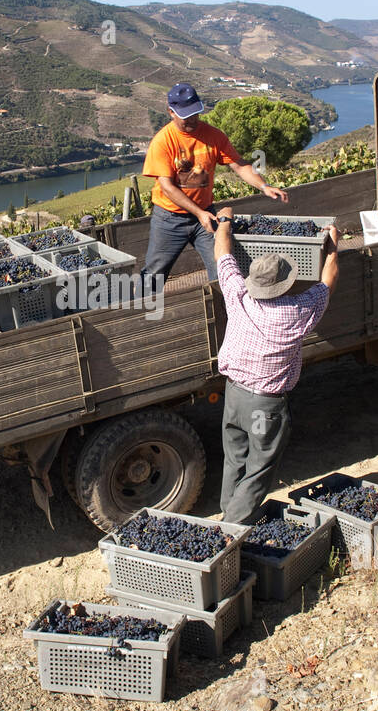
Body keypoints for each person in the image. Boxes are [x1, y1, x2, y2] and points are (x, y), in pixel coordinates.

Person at [211, 206, 339, 523]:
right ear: (284, 284)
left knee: (235, 458)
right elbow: (328, 279)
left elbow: (222, 254)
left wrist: (225, 220)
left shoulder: (238, 295)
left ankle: (229, 512)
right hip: (263, 408)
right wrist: (332, 245)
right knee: (259, 467)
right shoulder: (298, 311)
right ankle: (230, 530)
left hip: (235, 396)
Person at [140, 82, 288, 288]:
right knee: (153, 274)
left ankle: (226, 314)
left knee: (223, 267)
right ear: (171, 112)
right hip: (169, 218)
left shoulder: (213, 135)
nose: (192, 119)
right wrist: (198, 213)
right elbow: (167, 187)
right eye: (186, 115)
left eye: (195, 113)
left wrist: (264, 186)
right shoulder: (163, 142)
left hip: (206, 215)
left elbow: (239, 165)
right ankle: (142, 315)